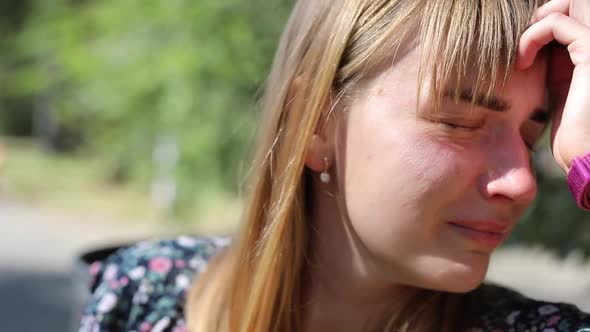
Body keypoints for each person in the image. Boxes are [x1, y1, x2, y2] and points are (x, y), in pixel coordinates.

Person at [78, 0, 590, 331]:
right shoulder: (145, 291)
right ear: (316, 124)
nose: (522, 181)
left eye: (531, 134)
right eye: (458, 122)